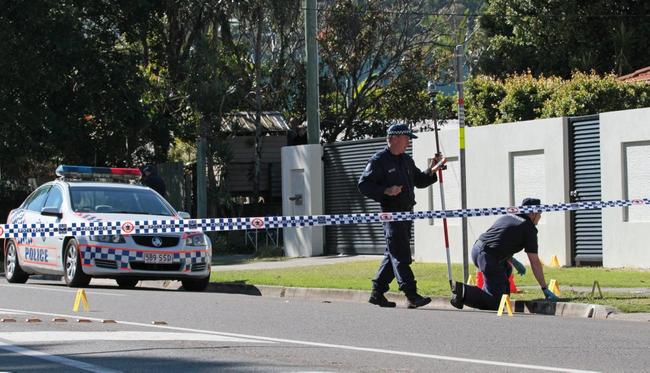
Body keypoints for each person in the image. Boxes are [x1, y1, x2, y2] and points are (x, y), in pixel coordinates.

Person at [358, 123, 444, 308]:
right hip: (391, 214)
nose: (408, 143)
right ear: (395, 138)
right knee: (401, 254)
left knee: (393, 253)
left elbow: (420, 181)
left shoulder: (406, 160)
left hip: (407, 213)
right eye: (407, 138)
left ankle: (377, 293)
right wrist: (386, 191)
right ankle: (411, 295)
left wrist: (432, 170)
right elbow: (364, 185)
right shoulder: (378, 160)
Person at [450, 197, 560, 310]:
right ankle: (462, 291)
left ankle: (481, 292)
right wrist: (544, 288)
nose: (540, 216)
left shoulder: (508, 216)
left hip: (478, 249)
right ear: (533, 213)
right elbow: (534, 262)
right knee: (497, 303)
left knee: (506, 272)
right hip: (489, 257)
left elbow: (500, 241)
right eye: (540, 212)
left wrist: (513, 261)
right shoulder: (529, 228)